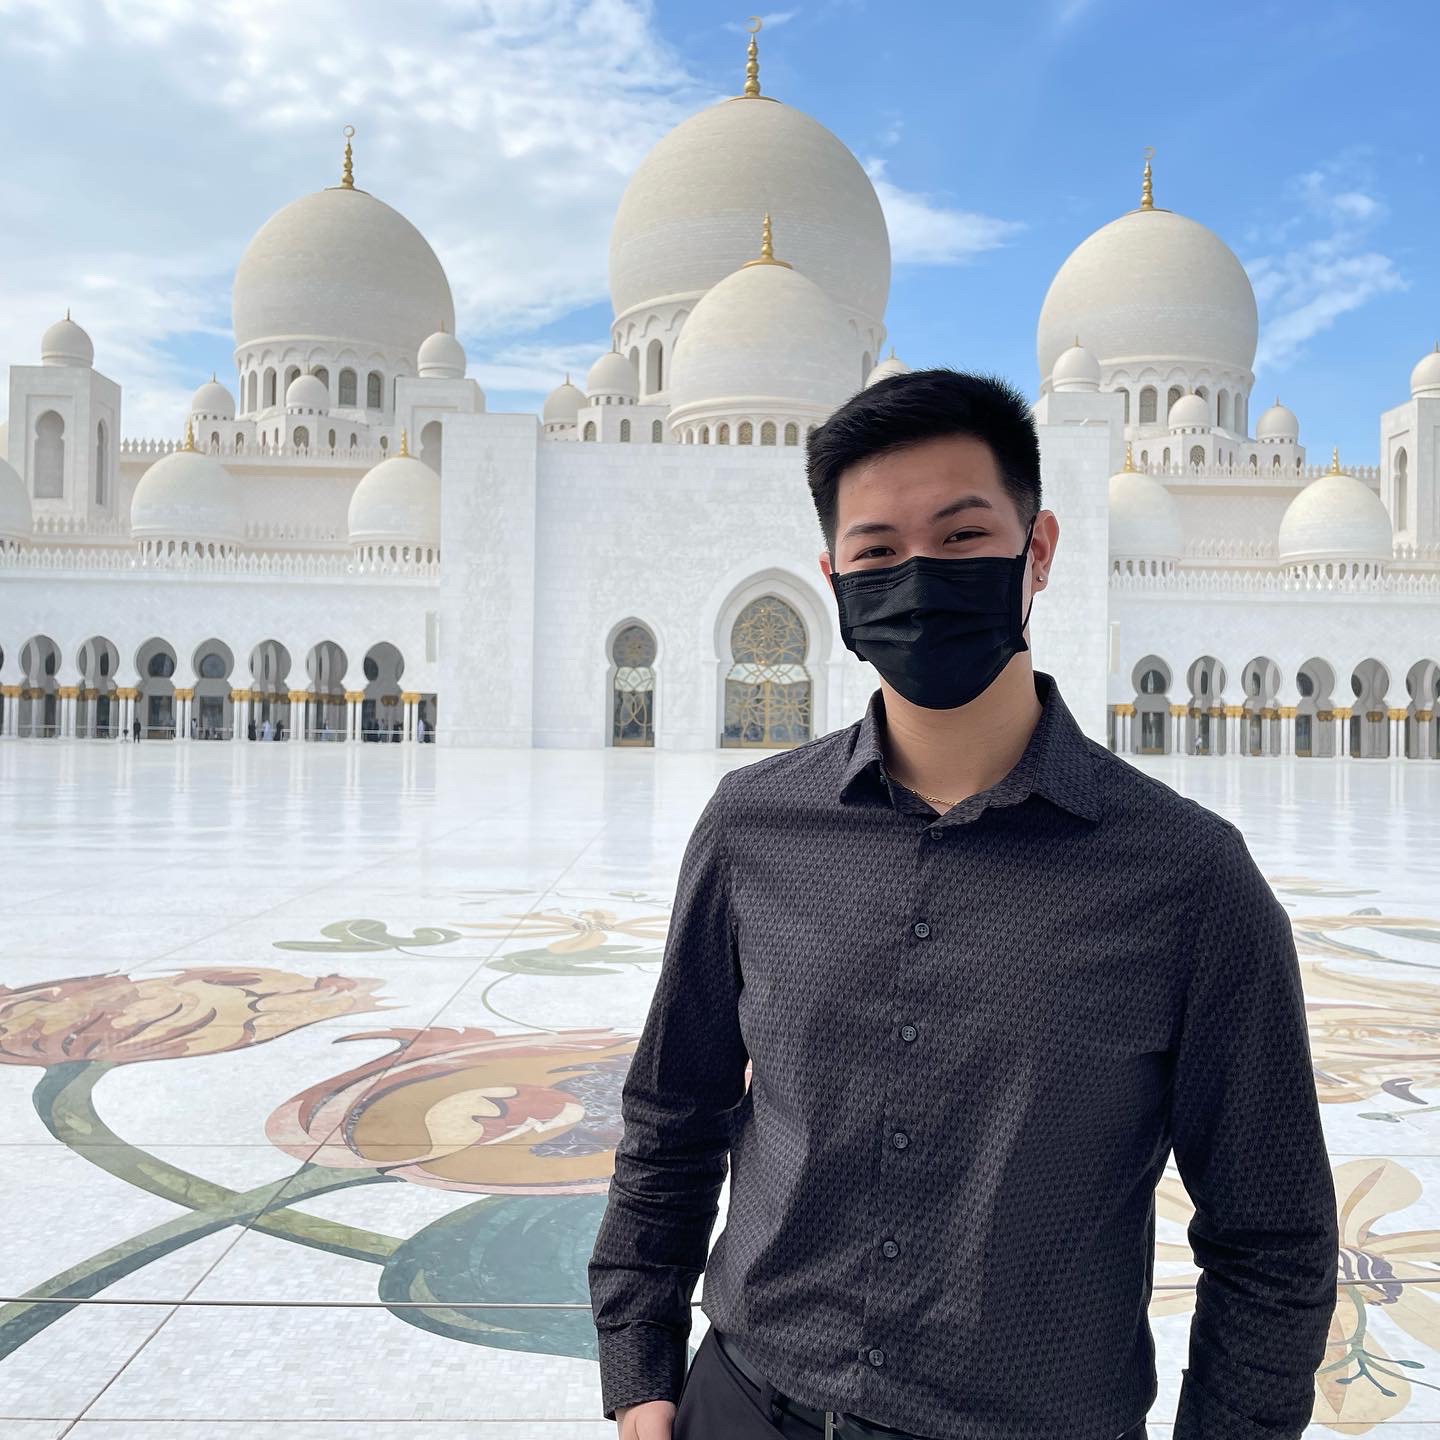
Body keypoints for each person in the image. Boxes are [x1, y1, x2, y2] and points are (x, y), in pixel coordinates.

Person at [588, 370, 1337, 1440]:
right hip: (744, 1405)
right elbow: (673, 1117)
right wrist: (642, 1380)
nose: (918, 577)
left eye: (961, 537)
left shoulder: (1187, 878)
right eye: (879, 551)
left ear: (1038, 552)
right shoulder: (755, 828)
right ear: (833, 579)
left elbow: (1272, 1241)